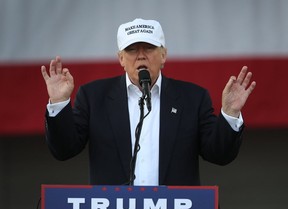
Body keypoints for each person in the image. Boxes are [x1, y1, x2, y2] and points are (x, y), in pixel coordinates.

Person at [41, 18, 256, 186]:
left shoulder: (193, 98)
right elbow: (64, 150)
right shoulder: (93, 96)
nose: (141, 56)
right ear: (121, 59)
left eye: (149, 48)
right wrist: (59, 103)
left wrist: (229, 113)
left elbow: (219, 154)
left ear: (163, 55)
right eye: (132, 49)